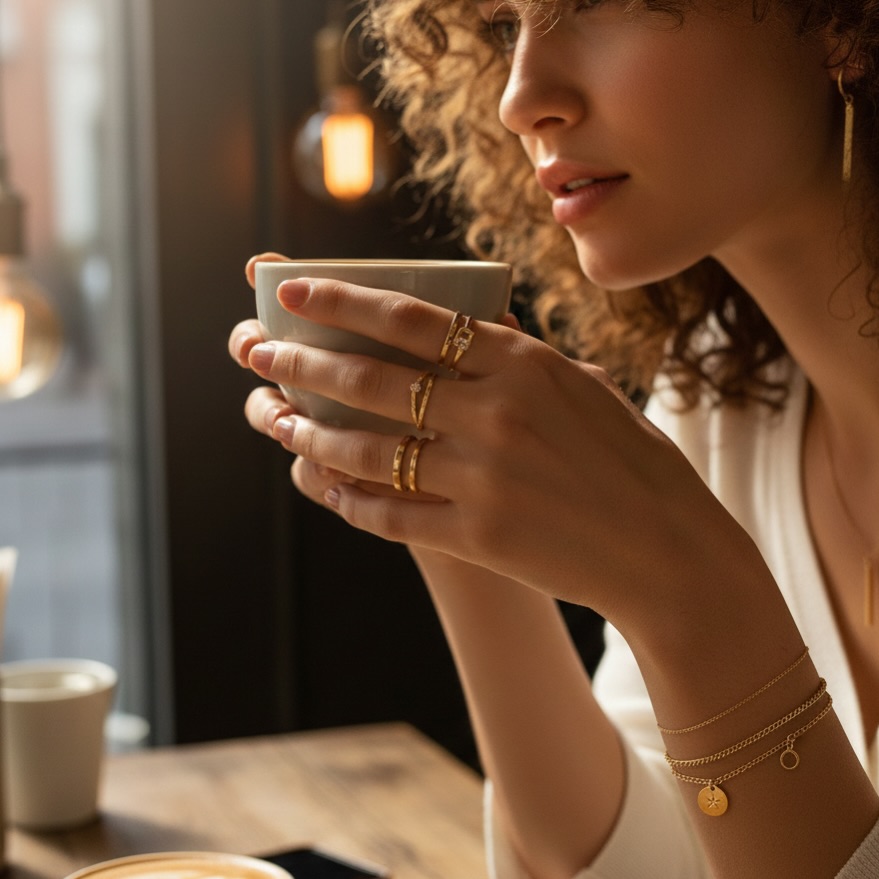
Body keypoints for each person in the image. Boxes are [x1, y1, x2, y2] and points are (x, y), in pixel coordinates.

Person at [228, 0, 879, 875]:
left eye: (595, 7)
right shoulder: (723, 398)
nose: (518, 96)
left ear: (841, 20)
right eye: (503, 28)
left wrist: (695, 596)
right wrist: (437, 507)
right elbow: (653, 860)